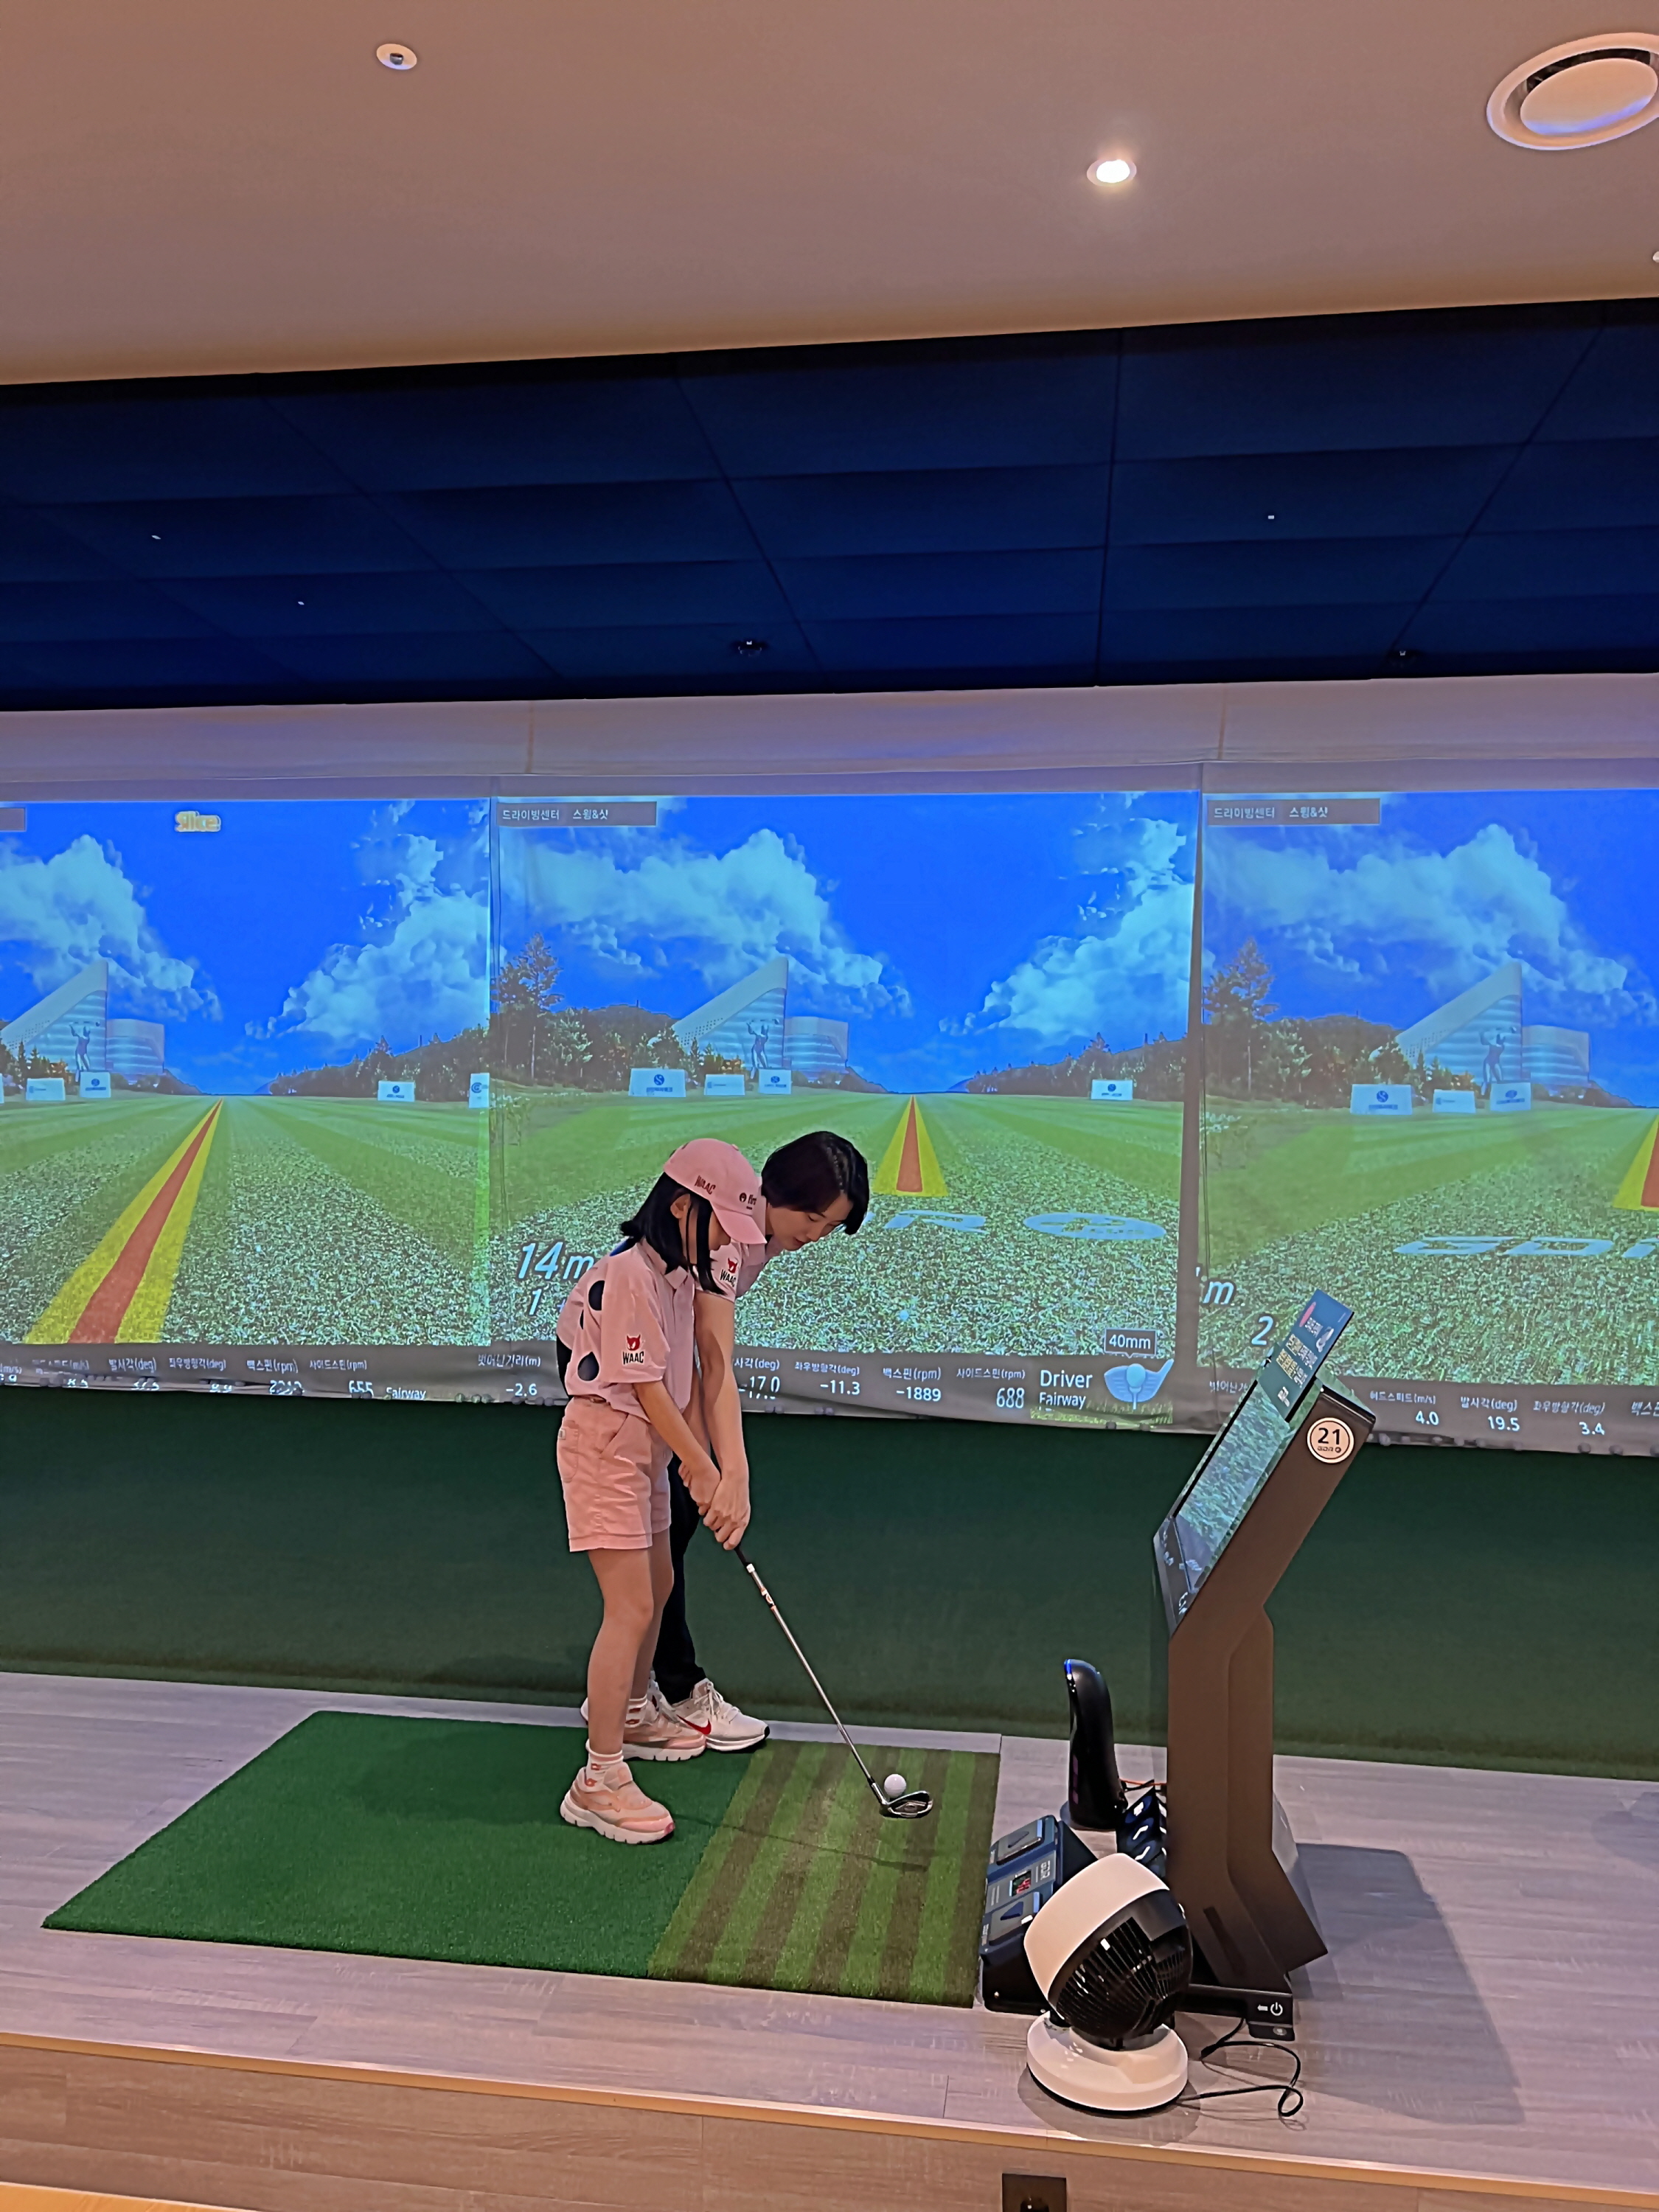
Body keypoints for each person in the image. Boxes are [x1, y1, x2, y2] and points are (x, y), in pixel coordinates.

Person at [554, 1138, 765, 1846]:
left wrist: (704, 1467)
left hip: (644, 1451)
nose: (727, 1248)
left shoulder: (678, 1279)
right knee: (632, 1606)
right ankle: (598, 1778)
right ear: (682, 1208)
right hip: (605, 1447)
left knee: (662, 1580)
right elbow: (645, 1390)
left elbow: (689, 1382)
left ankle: (636, 1715)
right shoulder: (629, 1276)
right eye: (723, 1228)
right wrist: (700, 1468)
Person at [650, 1130, 870, 1750]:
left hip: (659, 1365)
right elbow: (713, 1361)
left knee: (670, 1522)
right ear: (778, 1191)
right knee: (660, 1526)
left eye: (831, 1227)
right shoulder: (731, 1230)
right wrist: (728, 1472)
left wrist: (708, 1460)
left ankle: (640, 1685)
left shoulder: (760, 1234)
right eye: (812, 1218)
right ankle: (673, 1689)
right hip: (618, 1361)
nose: (815, 1236)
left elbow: (699, 1363)